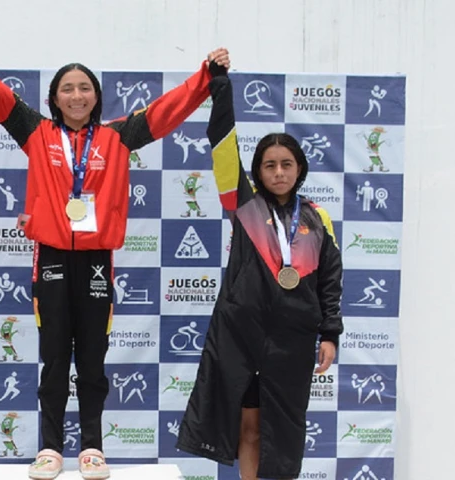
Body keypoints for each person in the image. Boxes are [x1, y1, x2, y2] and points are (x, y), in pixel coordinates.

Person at [0, 23, 229, 480]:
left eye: (84, 87)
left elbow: (168, 111)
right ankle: (49, 448)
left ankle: (92, 447)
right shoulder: (35, 132)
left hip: (95, 263)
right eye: (67, 88)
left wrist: (205, 76)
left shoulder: (118, 136)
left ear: (95, 97)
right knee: (53, 358)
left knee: (92, 359)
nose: (76, 95)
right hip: (49, 259)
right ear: (54, 98)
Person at [174, 63, 343, 480]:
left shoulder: (317, 218)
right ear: (258, 171)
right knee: (248, 426)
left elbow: (329, 281)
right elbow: (222, 144)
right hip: (243, 335)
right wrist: (221, 87)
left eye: (287, 164)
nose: (279, 173)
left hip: (293, 338)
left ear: (299, 168)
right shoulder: (245, 206)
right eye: (270, 165)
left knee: (285, 429)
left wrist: (330, 333)